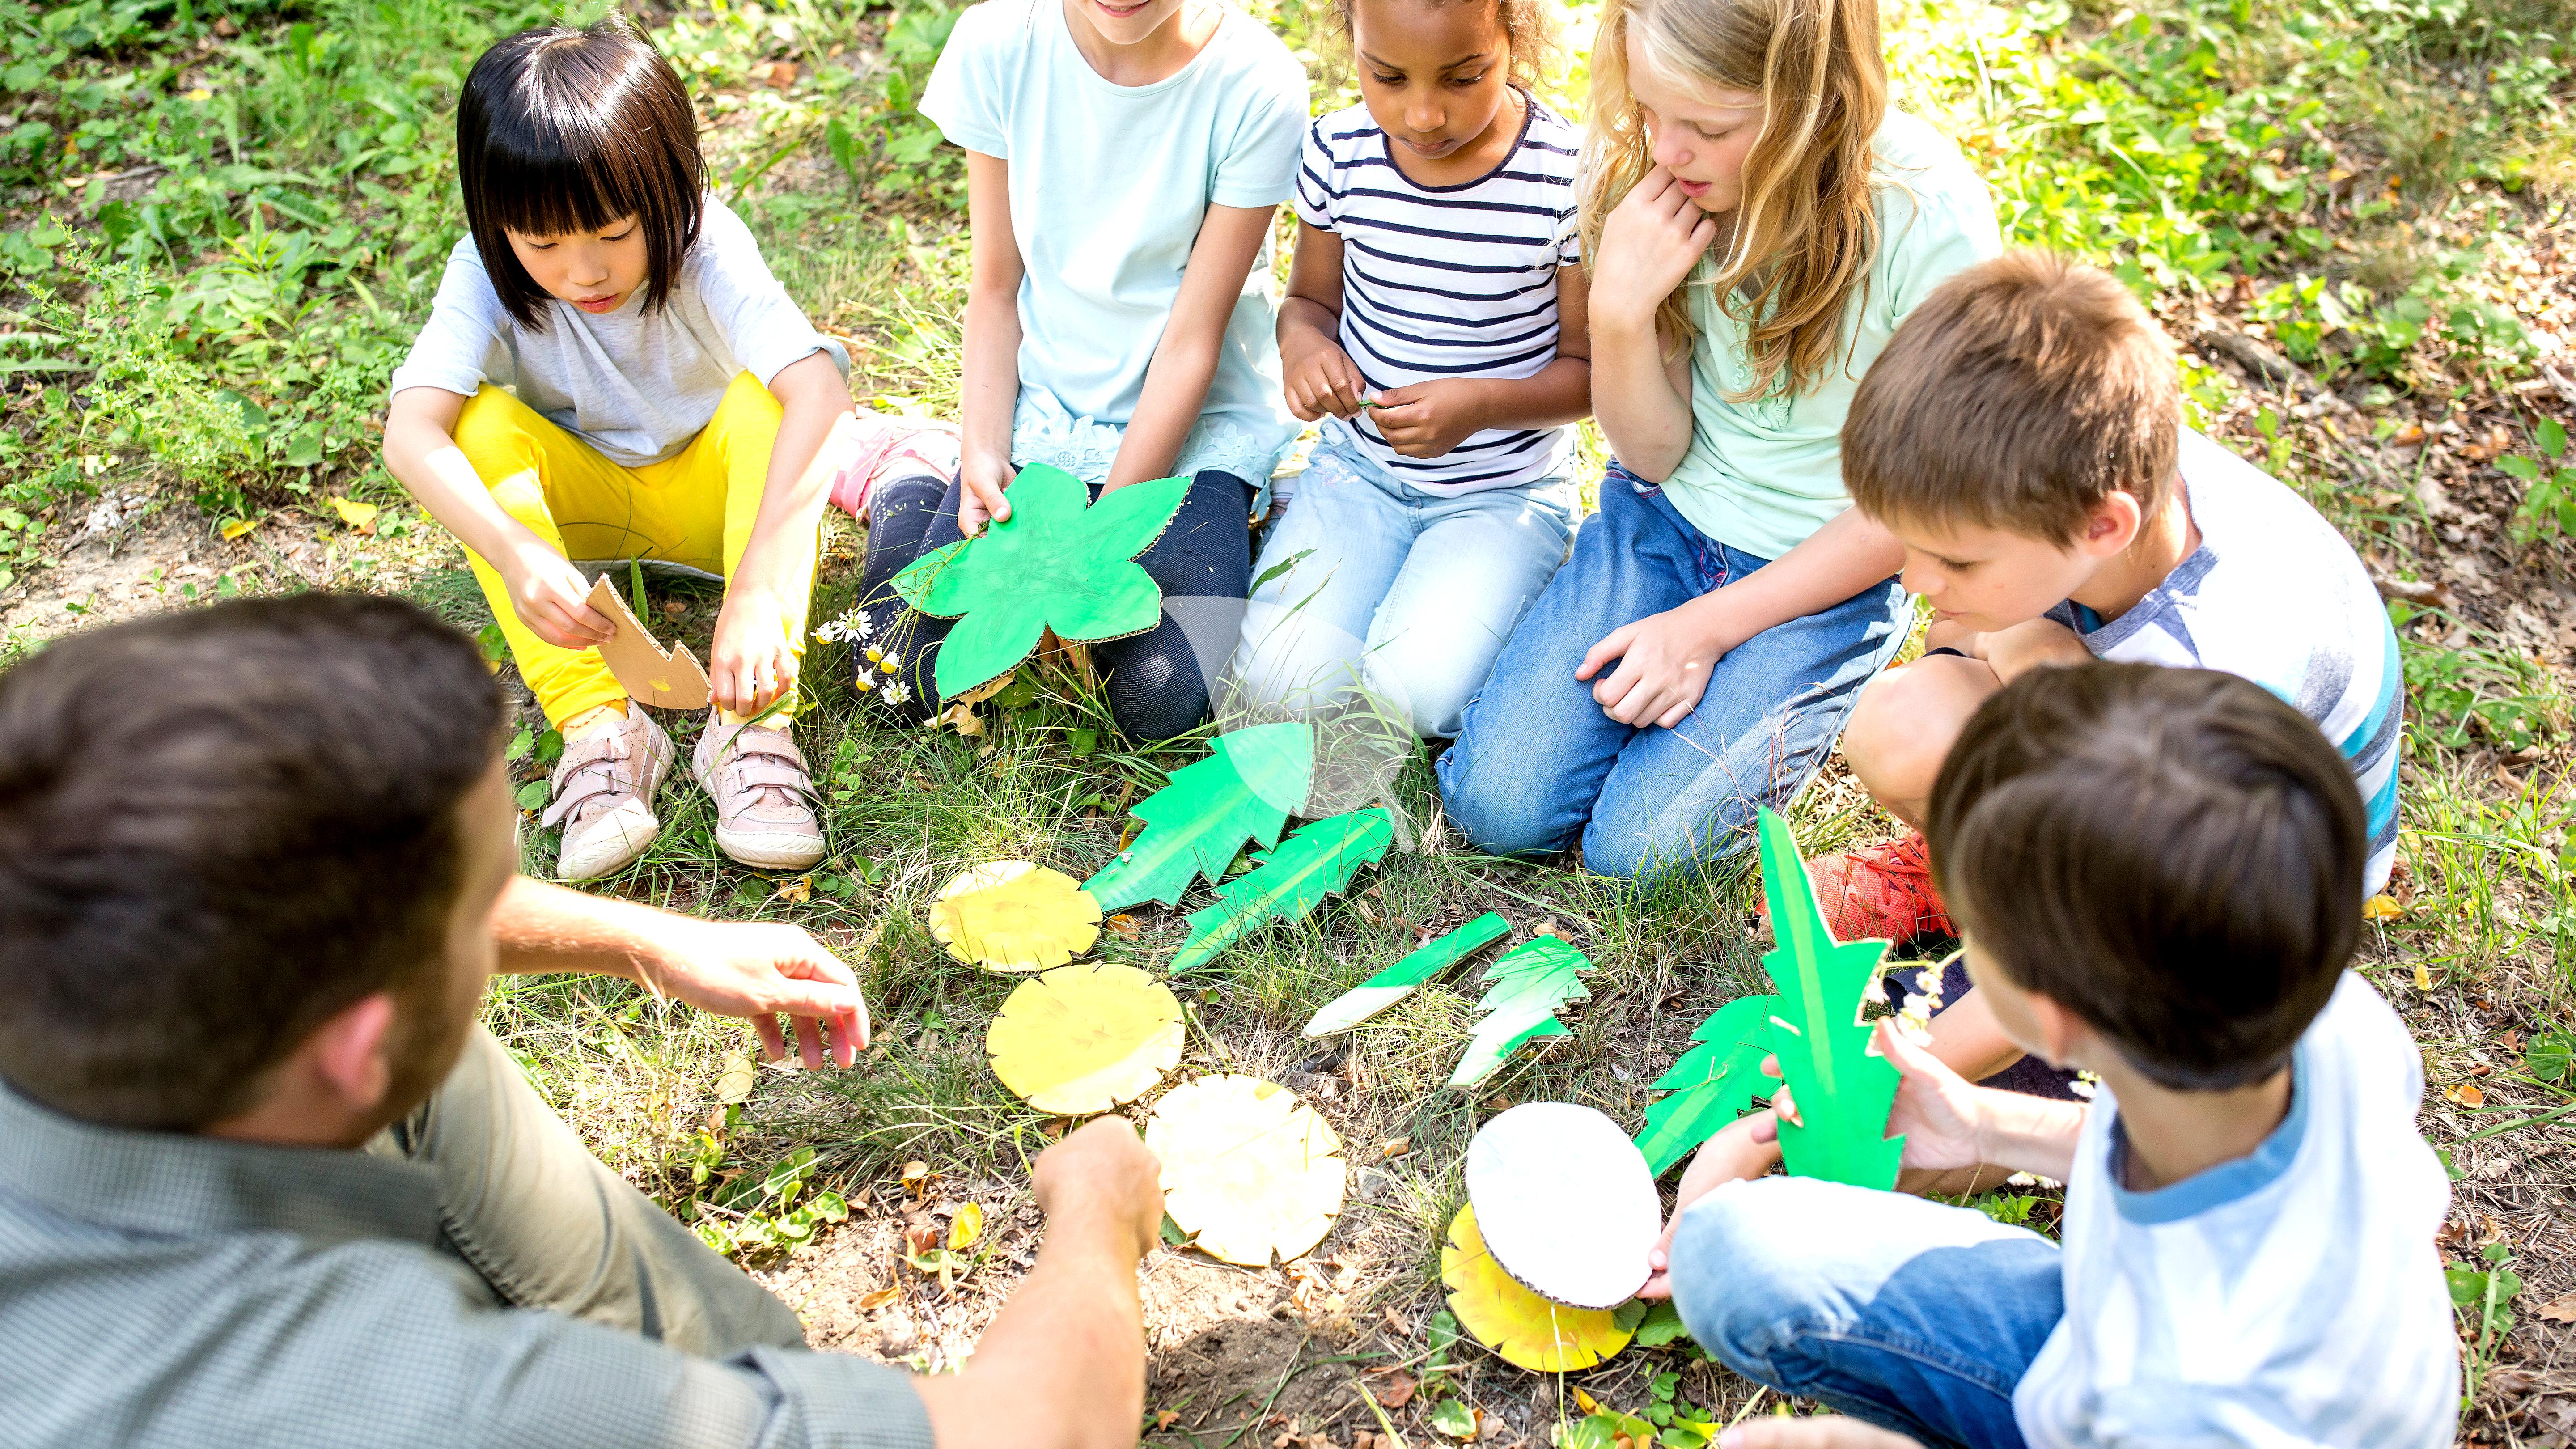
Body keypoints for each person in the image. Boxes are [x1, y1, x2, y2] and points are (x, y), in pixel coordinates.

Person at [0, 595, 1167, 1449]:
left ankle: (747, 1371)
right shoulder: (414, 1407)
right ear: (353, 1050)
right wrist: (1098, 1215)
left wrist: (648, 941)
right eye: (480, 898)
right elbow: (1033, 1435)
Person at [1644, 665, 2458, 1449]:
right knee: (1732, 1245)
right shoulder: (2335, 1020)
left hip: (2124, 1401)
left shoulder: (2185, 1382)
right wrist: (1986, 1127)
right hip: (2121, 1331)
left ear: (2048, 1014)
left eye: (1975, 940)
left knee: (1733, 1258)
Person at [1434, 0, 2000, 880]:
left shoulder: (1928, 219)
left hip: (1824, 576)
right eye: (1651, 114)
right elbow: (1653, 454)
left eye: (1707, 125)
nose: (1666, 152)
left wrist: (1704, 629)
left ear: (1814, 103)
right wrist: (1619, 312)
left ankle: (1804, 680)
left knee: (1640, 858)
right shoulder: (1658, 182)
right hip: (1662, 523)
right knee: (1497, 806)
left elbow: (1917, 504)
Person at [1816, 251, 2402, 975]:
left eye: (1958, 561)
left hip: (2251, 902)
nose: (1914, 579)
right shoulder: (2080, 466)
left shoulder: (2222, 664)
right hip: (2161, 766)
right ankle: (1979, 875)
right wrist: (2024, 650)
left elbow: (2214, 887)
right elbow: (1963, 638)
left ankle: (2026, 921)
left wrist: (1923, 1052)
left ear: (2103, 527)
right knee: (1910, 720)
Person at [384, 21, 857, 882]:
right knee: (475, 425)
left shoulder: (707, 243)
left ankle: (753, 732)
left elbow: (819, 395)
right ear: (498, 225)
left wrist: (753, 594)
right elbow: (410, 433)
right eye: (543, 245)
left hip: (720, 514)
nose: (583, 272)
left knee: (770, 400)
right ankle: (601, 731)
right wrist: (513, 547)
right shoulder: (485, 272)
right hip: (588, 527)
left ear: (668, 187)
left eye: (611, 232)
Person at [839, 0, 1309, 741]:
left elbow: (1193, 340)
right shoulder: (999, 45)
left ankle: (1251, 511)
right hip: (1046, 408)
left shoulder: (1256, 84)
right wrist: (985, 451)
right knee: (896, 665)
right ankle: (908, 473)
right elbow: (997, 287)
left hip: (1191, 428)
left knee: (1159, 698)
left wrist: (1087, 552)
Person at [1222, 0, 1590, 741]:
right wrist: (1305, 349)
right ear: (1351, 38)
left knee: (1411, 699)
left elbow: (1589, 372)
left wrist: (1479, 406)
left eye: (1464, 78)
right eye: (1387, 76)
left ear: (1513, 40)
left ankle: (1522, 575)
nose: (1423, 115)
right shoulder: (1340, 150)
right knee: (1277, 686)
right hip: (1359, 475)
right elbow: (1308, 303)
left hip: (1499, 494)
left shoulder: (1563, 178)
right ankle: (1343, 546)